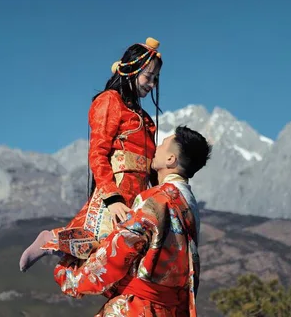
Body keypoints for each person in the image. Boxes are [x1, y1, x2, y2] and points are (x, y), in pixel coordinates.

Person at [19, 37, 163, 272]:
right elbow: (98, 152)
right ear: (131, 70)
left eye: (156, 78)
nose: (152, 83)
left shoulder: (144, 118)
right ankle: (50, 241)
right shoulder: (109, 101)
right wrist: (112, 198)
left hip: (139, 194)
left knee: (125, 253)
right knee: (98, 239)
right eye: (149, 76)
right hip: (115, 188)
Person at [53, 125, 212, 317]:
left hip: (139, 308)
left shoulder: (155, 199)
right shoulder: (190, 205)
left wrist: (71, 277)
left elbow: (116, 254)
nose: (155, 148)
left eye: (162, 144)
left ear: (171, 159)